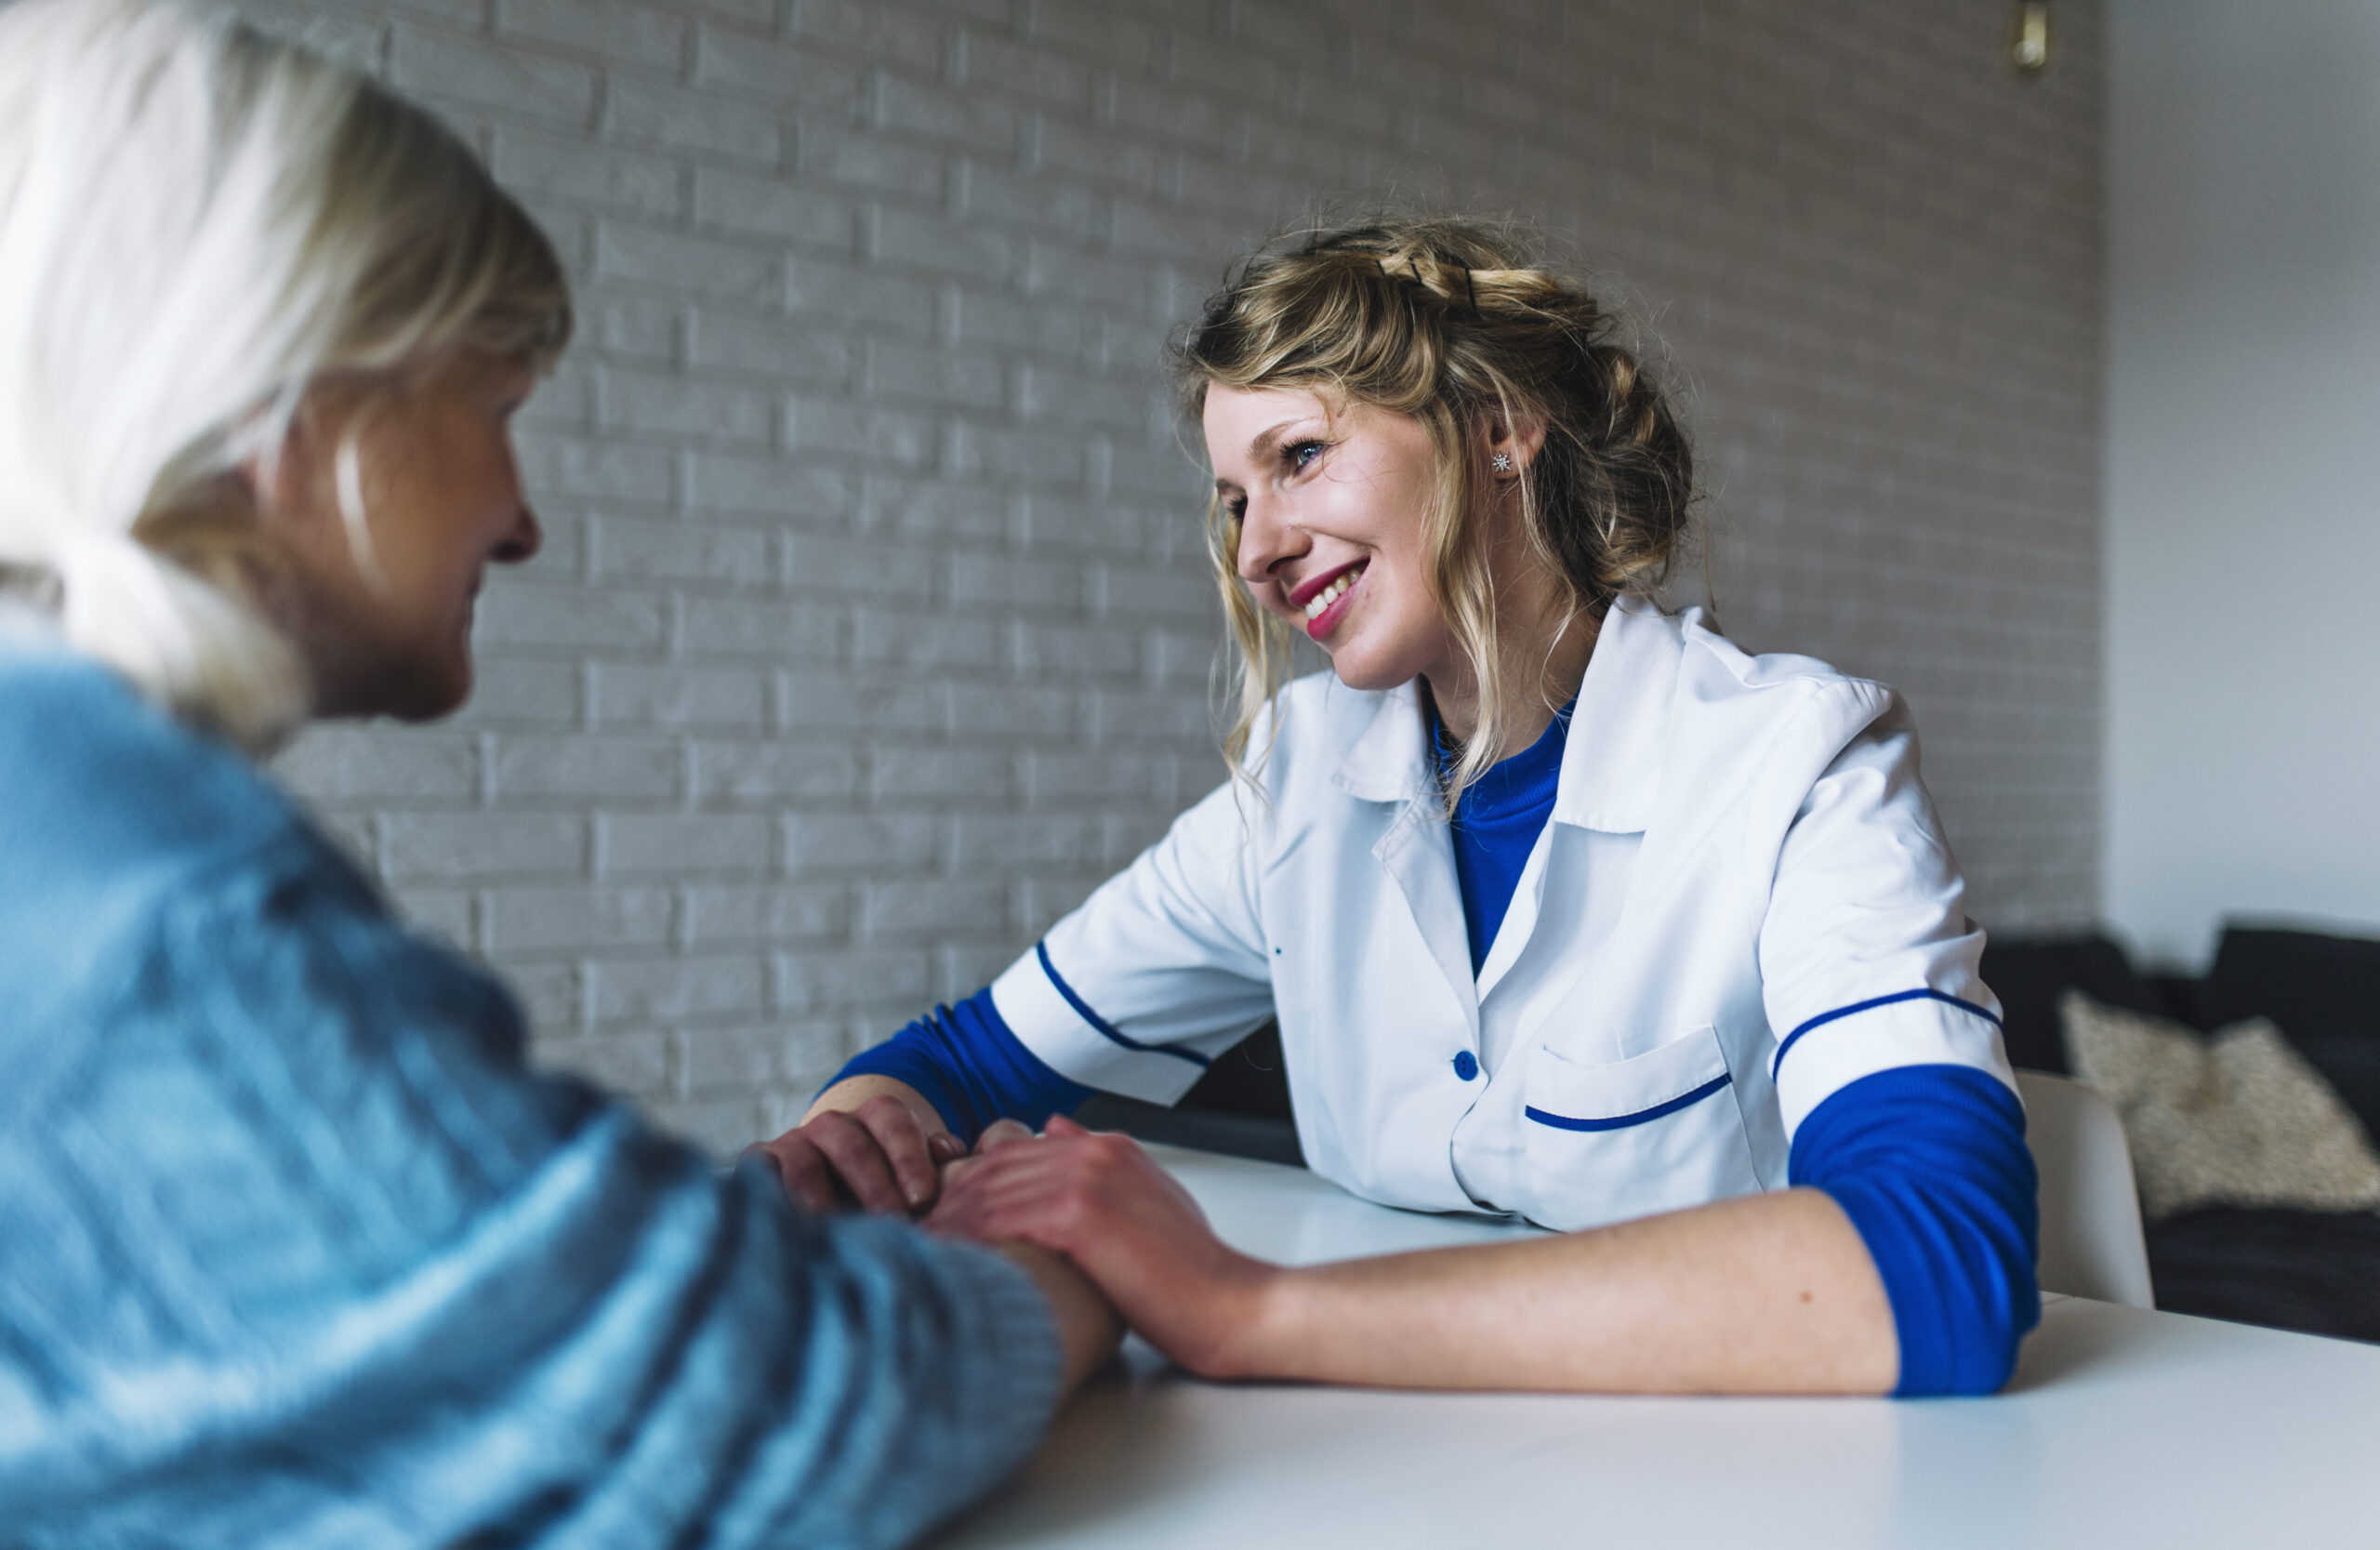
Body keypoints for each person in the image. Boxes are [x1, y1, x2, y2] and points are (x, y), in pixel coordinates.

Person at [0, 0, 1115, 1546]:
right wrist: (1071, 1271)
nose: (523, 519)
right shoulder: (136, 897)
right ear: (298, 409)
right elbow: (761, 1415)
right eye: (497, 408)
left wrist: (656, 1241)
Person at [758, 218, 2041, 1398]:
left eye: (1299, 458)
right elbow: (965, 1062)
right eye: (1235, 500)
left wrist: (1250, 1312)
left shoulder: (1796, 764)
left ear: (1496, 426)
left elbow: (1937, 1270)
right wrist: (842, 1147)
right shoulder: (1299, 782)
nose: (1258, 548)